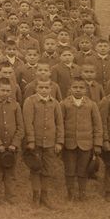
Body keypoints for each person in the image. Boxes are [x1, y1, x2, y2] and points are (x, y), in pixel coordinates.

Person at [60, 78, 103, 201]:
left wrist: (97, 144)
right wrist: (60, 142)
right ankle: (70, 193)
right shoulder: (64, 104)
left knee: (83, 169)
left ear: (86, 89)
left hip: (86, 143)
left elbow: (97, 125)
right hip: (69, 143)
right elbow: (60, 123)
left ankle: (82, 193)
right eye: (75, 87)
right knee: (69, 169)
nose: (78, 90)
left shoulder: (91, 105)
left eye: (81, 87)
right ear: (70, 88)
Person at [23, 80, 63, 209]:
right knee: (35, 168)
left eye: (47, 87)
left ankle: (44, 197)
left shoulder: (55, 103)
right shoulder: (30, 101)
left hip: (50, 142)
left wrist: (59, 141)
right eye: (41, 87)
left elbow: (59, 124)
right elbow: (28, 122)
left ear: (51, 88)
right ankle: (35, 196)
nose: (44, 90)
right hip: (36, 142)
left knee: (47, 169)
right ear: (36, 88)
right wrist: (31, 140)